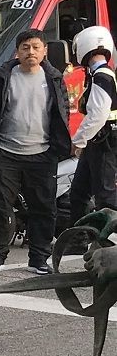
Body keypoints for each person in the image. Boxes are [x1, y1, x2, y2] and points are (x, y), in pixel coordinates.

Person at [0, 30, 70, 275]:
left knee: (43, 207)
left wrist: (59, 147)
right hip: (6, 153)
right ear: (17, 51)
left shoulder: (53, 78)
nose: (30, 52)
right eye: (25, 47)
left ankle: (39, 257)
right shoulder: (3, 76)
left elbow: (63, 112)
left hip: (42, 154)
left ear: (44, 51)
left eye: (36, 47)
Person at [68, 24, 117, 223]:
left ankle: (109, 246)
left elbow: (98, 114)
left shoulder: (102, 76)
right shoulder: (100, 74)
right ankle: (79, 239)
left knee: (106, 196)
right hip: (97, 142)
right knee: (79, 193)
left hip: (104, 141)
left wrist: (78, 140)